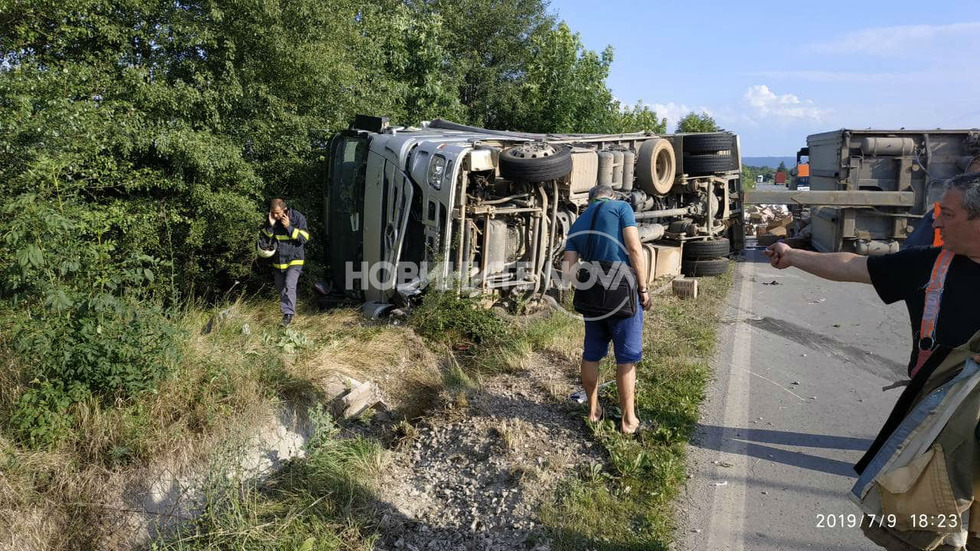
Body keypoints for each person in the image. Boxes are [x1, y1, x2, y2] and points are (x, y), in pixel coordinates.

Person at [765, 173, 980, 550]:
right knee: (926, 537)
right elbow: (852, 266)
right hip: (940, 441)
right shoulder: (929, 266)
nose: (936, 222)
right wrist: (793, 255)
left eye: (947, 213)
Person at [563, 185, 652, 434]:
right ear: (610, 196)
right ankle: (628, 420)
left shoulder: (578, 222)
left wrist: (589, 286)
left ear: (590, 200)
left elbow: (569, 269)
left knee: (591, 353)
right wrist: (643, 288)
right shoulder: (622, 208)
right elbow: (634, 248)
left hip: (591, 295)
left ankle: (593, 411)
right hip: (622, 291)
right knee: (626, 357)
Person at [262, 198, 310, 326]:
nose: (275, 215)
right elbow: (264, 241)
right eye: (273, 213)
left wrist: (289, 227)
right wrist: (270, 226)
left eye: (277, 212)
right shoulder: (271, 221)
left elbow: (304, 238)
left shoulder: (298, 217)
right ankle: (290, 310)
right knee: (281, 289)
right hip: (278, 262)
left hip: (295, 260)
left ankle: (287, 315)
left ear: (284, 209)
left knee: (290, 284)